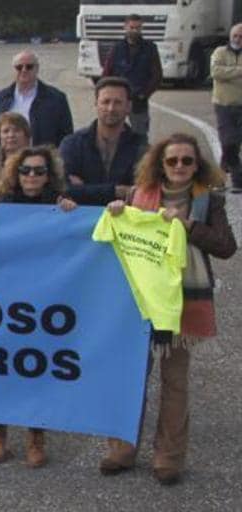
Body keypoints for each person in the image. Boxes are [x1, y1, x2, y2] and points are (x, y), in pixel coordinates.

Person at [100, 133, 236, 486]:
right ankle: (122, 448)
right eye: (172, 160)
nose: (179, 167)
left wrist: (188, 226)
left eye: (186, 161)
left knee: (175, 383)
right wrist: (116, 212)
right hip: (142, 299)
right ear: (160, 163)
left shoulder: (209, 200)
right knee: (131, 377)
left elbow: (225, 247)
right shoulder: (137, 195)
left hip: (185, 301)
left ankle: (169, 457)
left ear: (197, 165)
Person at [0, 145, 77, 467]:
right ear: (15, 174)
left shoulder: (60, 206)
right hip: (5, 298)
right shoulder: (1, 205)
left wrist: (73, 214)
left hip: (44, 299)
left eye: (39, 171)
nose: (32, 176)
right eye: (26, 170)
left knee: (38, 368)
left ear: (49, 176)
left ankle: (36, 436)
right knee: (0, 365)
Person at [60, 77, 147, 206]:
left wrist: (85, 190)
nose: (111, 108)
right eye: (105, 102)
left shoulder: (142, 147)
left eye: (117, 102)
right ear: (96, 103)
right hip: (81, 220)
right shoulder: (73, 144)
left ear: (128, 106)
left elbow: (140, 192)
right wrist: (116, 190)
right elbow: (65, 189)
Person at [0, 50, 73, 147]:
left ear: (37, 68)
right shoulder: (0, 98)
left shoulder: (56, 98)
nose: (24, 70)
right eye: (19, 67)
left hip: (42, 158)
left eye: (29, 66)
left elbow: (67, 135)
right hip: (7, 158)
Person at [102, 14, 162, 140]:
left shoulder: (150, 48)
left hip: (138, 101)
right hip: (118, 100)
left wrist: (144, 94)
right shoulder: (117, 48)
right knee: (112, 133)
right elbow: (107, 73)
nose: (135, 31)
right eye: (132, 27)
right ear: (125, 27)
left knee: (140, 137)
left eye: (138, 28)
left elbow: (157, 75)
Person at [211, 23, 242, 191]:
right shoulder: (219, 52)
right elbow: (216, 72)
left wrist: (229, 72)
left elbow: (224, 73)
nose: (238, 40)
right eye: (235, 36)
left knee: (232, 144)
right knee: (228, 142)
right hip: (224, 104)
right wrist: (239, 71)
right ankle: (238, 180)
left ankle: (219, 180)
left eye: (241, 37)